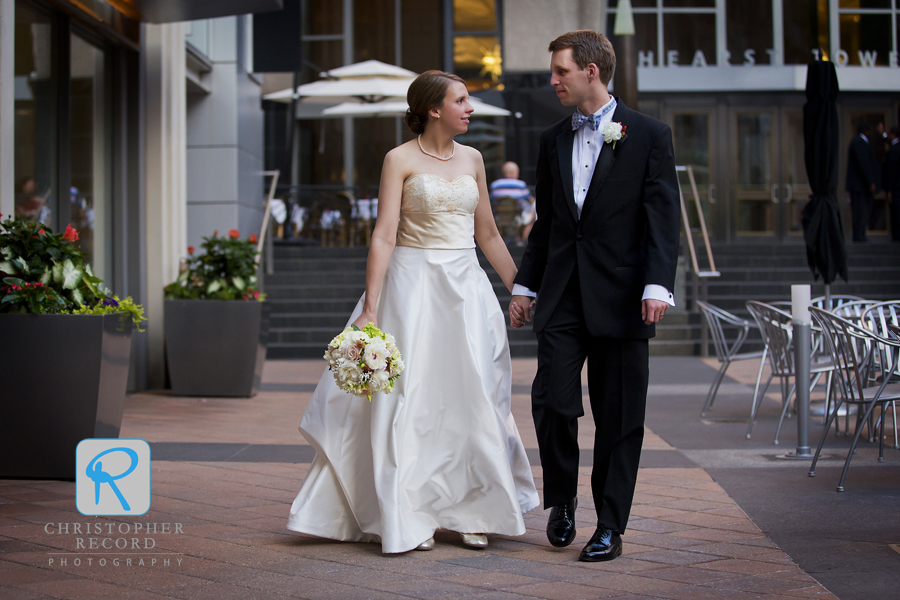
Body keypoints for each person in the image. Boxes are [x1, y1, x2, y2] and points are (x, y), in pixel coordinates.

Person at [287, 70, 539, 554]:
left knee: (473, 396)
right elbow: (383, 234)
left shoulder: (474, 158)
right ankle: (409, 511)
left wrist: (519, 288)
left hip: (465, 291)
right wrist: (371, 308)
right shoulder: (398, 159)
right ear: (433, 109)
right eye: (462, 100)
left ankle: (473, 509)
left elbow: (487, 233)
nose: (471, 108)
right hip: (411, 287)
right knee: (411, 401)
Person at [509, 30, 680, 563]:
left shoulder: (650, 135)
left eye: (560, 71)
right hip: (562, 295)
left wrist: (657, 284)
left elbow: (662, 217)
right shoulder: (551, 139)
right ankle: (561, 502)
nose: (552, 80)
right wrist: (524, 284)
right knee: (552, 402)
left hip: (626, 295)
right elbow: (548, 224)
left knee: (619, 414)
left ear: (592, 72)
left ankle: (610, 524)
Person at [846, 122, 881, 242]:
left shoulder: (858, 142)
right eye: (869, 131)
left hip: (860, 185)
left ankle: (860, 234)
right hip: (860, 186)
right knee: (860, 211)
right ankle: (859, 235)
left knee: (861, 211)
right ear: (865, 131)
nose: (871, 134)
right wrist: (870, 181)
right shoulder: (859, 142)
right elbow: (864, 163)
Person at [884, 126, 900, 242]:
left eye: (888, 134)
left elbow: (891, 171)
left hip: (896, 187)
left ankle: (897, 236)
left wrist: (889, 189)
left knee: (896, 212)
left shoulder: (894, 150)